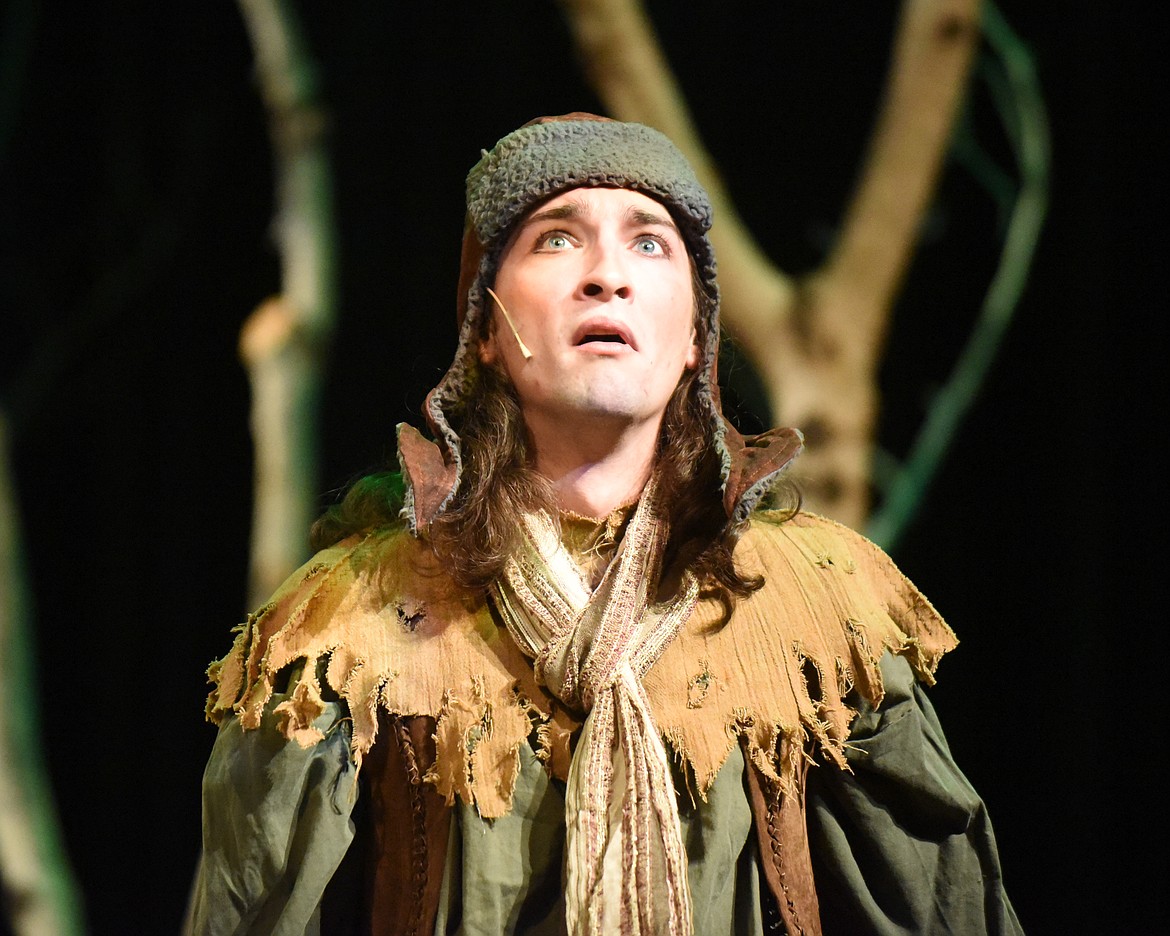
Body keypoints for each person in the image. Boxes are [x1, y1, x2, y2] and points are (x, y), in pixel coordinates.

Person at [190, 113, 1021, 935]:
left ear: (696, 334)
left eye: (649, 243)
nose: (607, 276)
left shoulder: (815, 610)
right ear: (484, 327)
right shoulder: (352, 623)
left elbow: (941, 901)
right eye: (557, 238)